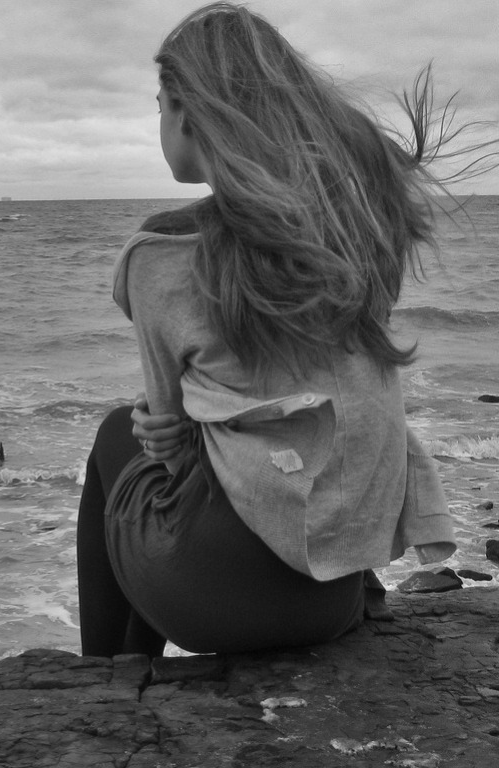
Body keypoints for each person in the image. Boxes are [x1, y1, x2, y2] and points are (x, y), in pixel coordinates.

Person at [76, 2, 464, 658]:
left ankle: (112, 681)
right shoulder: (356, 233)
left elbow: (169, 454)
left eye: (160, 103)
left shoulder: (161, 255)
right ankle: (129, 675)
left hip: (214, 604)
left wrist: (166, 427)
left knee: (120, 436)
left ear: (187, 112)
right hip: (335, 598)